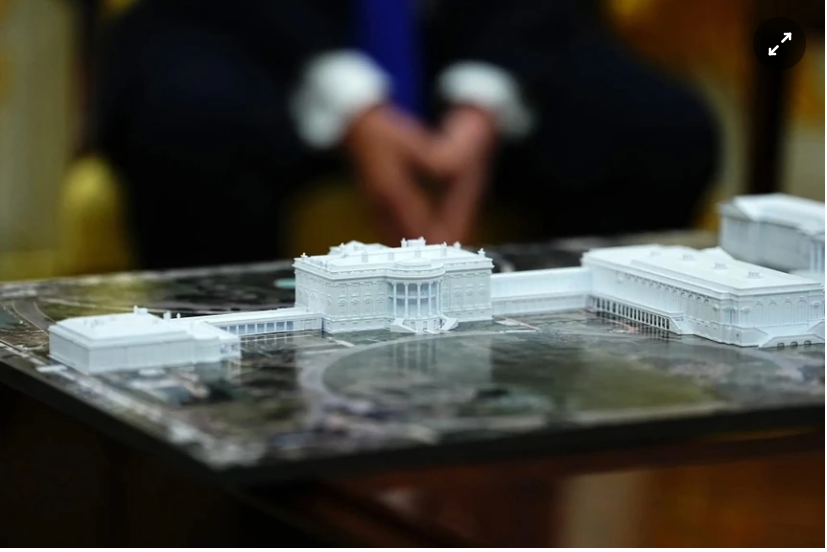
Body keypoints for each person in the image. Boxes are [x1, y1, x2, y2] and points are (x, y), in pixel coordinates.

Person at [93, 0, 719, 269]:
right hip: (256, 30)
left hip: (473, 33)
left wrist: (483, 102)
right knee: (190, 120)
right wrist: (354, 104)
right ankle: (226, 409)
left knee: (663, 132)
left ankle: (564, 411)